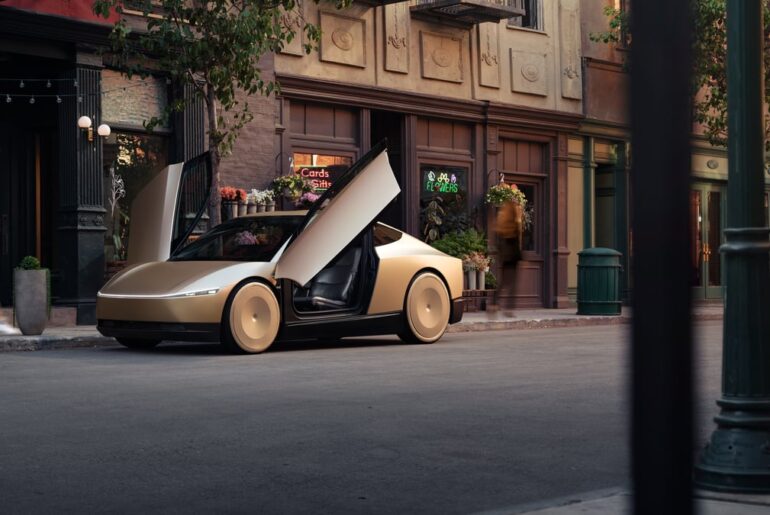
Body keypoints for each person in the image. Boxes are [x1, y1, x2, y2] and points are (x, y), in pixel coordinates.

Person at [489, 185, 524, 318]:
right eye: (515, 194)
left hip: (510, 248)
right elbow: (508, 229)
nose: (516, 197)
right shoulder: (510, 209)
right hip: (510, 247)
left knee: (508, 280)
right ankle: (501, 306)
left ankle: (497, 305)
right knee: (509, 280)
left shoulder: (512, 209)